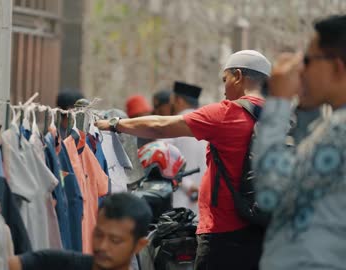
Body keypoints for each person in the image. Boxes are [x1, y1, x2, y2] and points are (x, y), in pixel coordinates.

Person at [96, 50, 272, 270]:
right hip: (267, 233)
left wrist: (115, 124)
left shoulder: (227, 113)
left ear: (237, 75)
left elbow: (161, 126)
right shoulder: (282, 117)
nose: (224, 90)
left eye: (225, 80)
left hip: (224, 234)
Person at [252, 15, 346, 270]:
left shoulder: (340, 128)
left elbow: (271, 192)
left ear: (337, 67)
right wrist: (305, 112)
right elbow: (307, 178)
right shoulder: (335, 125)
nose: (301, 70)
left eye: (308, 60)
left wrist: (278, 102)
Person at [8, 193, 153, 270]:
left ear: (139, 245)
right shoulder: (55, 263)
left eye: (115, 240)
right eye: (98, 235)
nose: (102, 246)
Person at [162, 81, 207, 217]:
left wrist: (186, 184)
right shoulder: (209, 124)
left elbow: (161, 158)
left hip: (179, 201)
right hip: (204, 202)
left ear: (179, 100)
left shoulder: (173, 124)